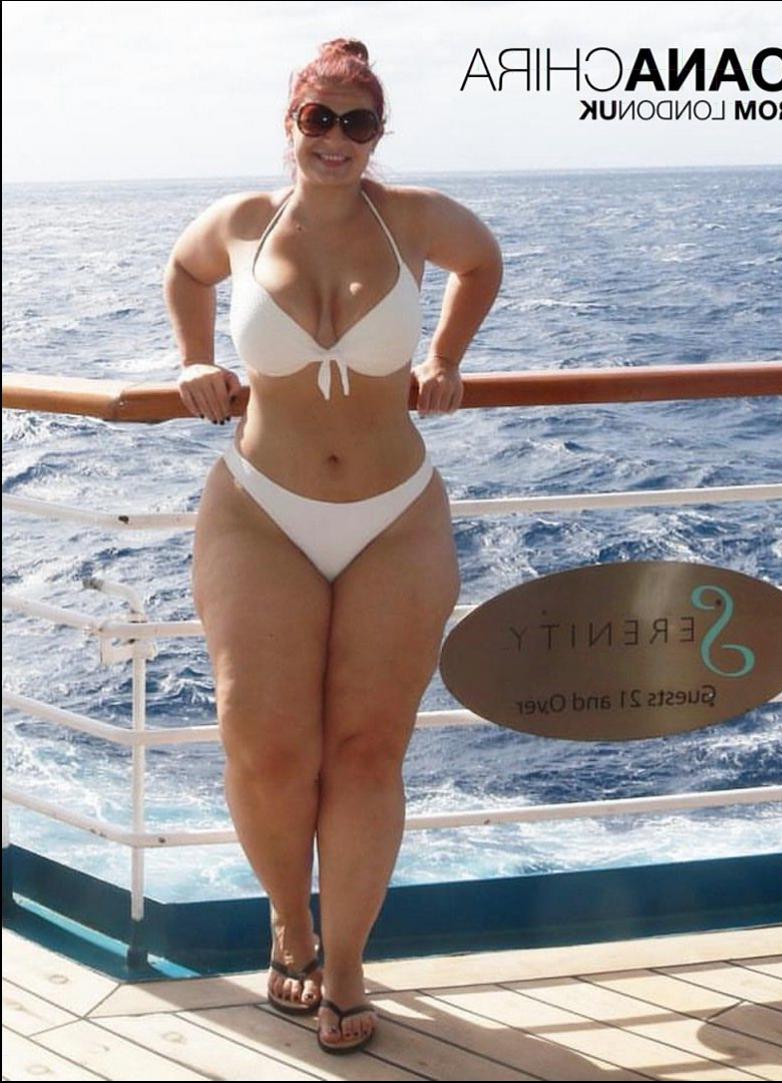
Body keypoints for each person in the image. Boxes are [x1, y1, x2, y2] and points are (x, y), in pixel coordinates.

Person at [164, 37, 502, 1055]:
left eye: (358, 122)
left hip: (394, 513)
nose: (338, 139)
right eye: (322, 119)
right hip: (259, 507)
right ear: (292, 127)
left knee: (365, 750)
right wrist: (192, 360)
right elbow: (183, 272)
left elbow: (482, 261)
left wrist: (445, 355)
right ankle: (291, 923)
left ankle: (347, 960)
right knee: (266, 748)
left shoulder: (414, 222)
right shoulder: (239, 224)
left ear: (378, 135)